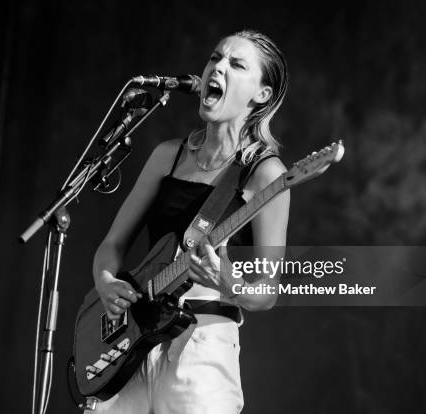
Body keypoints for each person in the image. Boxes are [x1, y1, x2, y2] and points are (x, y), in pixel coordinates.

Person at [89, 29, 290, 414]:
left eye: (236, 64)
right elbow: (112, 245)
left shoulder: (266, 174)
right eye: (215, 58)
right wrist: (105, 282)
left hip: (200, 348)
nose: (218, 67)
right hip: (132, 342)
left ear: (261, 94)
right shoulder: (168, 155)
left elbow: (267, 293)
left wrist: (226, 282)